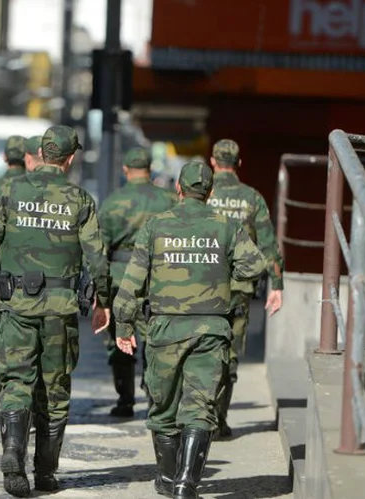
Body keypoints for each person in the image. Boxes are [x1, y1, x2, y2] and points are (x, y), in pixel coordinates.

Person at [0, 125, 111, 497]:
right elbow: (97, 257)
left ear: (41, 153)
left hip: (16, 306)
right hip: (59, 312)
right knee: (55, 391)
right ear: (71, 157)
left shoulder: (10, 191)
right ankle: (45, 474)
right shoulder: (80, 199)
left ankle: (13, 451)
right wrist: (104, 303)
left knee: (16, 382)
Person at [113, 161, 267, 499]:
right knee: (200, 406)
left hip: (165, 328)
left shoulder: (156, 226)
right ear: (210, 193)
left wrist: (123, 323)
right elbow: (255, 264)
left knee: (163, 408)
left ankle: (168, 480)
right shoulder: (226, 226)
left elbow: (133, 281)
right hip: (211, 328)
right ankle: (186, 483)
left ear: (178, 190)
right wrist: (223, 281)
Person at [207, 139, 285, 438]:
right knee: (228, 353)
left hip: (200, 284)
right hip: (238, 287)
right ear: (239, 164)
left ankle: (194, 416)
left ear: (213, 161)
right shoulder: (252, 198)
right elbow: (267, 244)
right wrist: (276, 285)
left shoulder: (202, 192)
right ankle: (218, 419)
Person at [97, 147, 176, 418]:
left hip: (122, 279)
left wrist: (102, 298)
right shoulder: (168, 200)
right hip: (159, 279)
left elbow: (100, 251)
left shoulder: (112, 203)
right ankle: (154, 395)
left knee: (121, 342)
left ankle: (125, 400)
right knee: (156, 342)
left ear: (125, 170)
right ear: (150, 168)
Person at [0, 135, 28, 408]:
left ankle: (6, 387)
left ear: (4, 158)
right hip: (26, 274)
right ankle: (21, 390)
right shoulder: (32, 189)